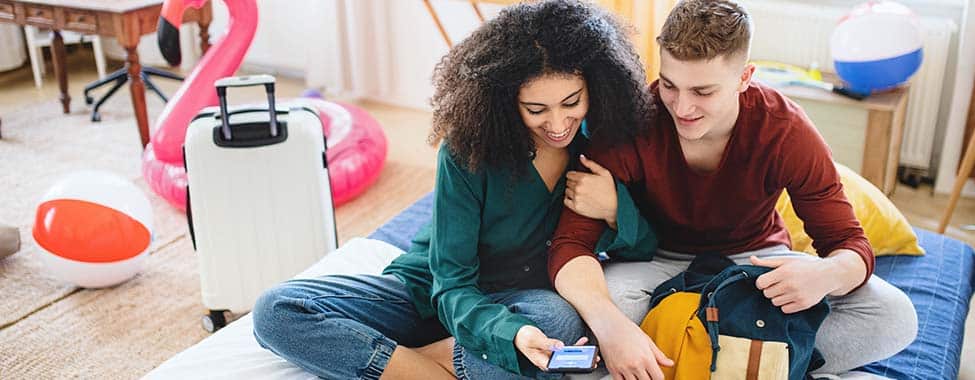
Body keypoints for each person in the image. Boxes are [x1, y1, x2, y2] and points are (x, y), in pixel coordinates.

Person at [251, 1, 656, 379]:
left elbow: (645, 248)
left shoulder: (600, 144)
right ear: (504, 101)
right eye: (536, 110)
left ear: (596, 87)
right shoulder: (468, 151)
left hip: (521, 302)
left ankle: (405, 361)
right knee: (276, 311)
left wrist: (614, 209)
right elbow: (451, 284)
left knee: (557, 321)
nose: (557, 123)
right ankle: (441, 362)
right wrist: (507, 337)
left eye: (572, 102)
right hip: (431, 294)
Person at [549, 1, 918, 379]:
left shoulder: (785, 131)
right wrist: (611, 327)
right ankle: (766, 362)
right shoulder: (634, 120)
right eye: (671, 85)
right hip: (658, 263)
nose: (682, 107)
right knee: (604, 311)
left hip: (754, 264)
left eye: (703, 91)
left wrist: (827, 274)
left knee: (893, 314)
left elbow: (847, 241)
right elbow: (570, 245)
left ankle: (688, 361)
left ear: (745, 78)